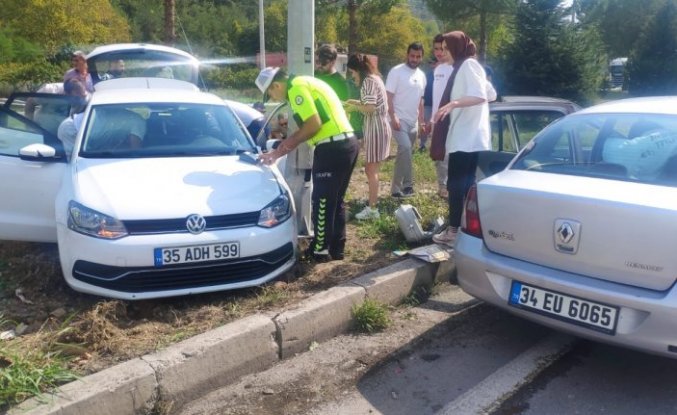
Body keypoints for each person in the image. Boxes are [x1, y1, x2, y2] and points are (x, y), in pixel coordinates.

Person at [256, 67, 359, 261]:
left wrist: (279, 151)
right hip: (347, 143)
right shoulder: (307, 81)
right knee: (336, 201)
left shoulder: (296, 88)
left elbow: (313, 125)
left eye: (270, 93)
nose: (273, 98)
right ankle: (337, 248)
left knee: (321, 200)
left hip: (332, 146)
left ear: (277, 85)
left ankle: (319, 250)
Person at [432, 31, 494, 247]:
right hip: (471, 137)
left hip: (466, 137)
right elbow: (491, 93)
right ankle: (464, 227)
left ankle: (453, 231)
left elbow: (481, 96)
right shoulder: (468, 66)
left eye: (447, 48)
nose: (444, 52)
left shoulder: (467, 65)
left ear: (457, 48)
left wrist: (454, 103)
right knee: (465, 185)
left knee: (455, 186)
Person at [344, 53, 392, 221]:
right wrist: (353, 102)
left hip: (376, 128)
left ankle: (372, 209)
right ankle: (372, 204)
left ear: (358, 70)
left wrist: (353, 108)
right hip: (378, 126)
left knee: (371, 170)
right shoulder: (374, 78)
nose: (352, 75)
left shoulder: (368, 81)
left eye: (352, 72)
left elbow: (370, 108)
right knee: (372, 169)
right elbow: (370, 104)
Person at [385, 42, 427, 198]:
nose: (414, 59)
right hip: (397, 119)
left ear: (421, 57)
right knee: (406, 148)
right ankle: (408, 186)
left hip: (413, 122)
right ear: (407, 55)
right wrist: (393, 115)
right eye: (412, 56)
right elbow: (388, 96)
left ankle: (395, 190)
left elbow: (420, 101)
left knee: (404, 154)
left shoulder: (422, 76)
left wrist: (421, 121)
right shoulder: (396, 72)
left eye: (418, 56)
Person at [430, 33, 455, 199]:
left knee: (450, 154)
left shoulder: (455, 68)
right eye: (436, 49)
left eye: (442, 49)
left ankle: (451, 186)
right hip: (436, 118)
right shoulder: (438, 69)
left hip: (452, 118)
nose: (439, 52)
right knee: (439, 154)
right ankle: (442, 186)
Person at [420, 56, 437, 152]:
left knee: (436, 126)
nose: (431, 65)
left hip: (439, 106)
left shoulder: (443, 75)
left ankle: (434, 147)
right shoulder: (427, 76)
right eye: (430, 63)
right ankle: (422, 145)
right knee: (426, 125)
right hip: (428, 104)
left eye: (433, 63)